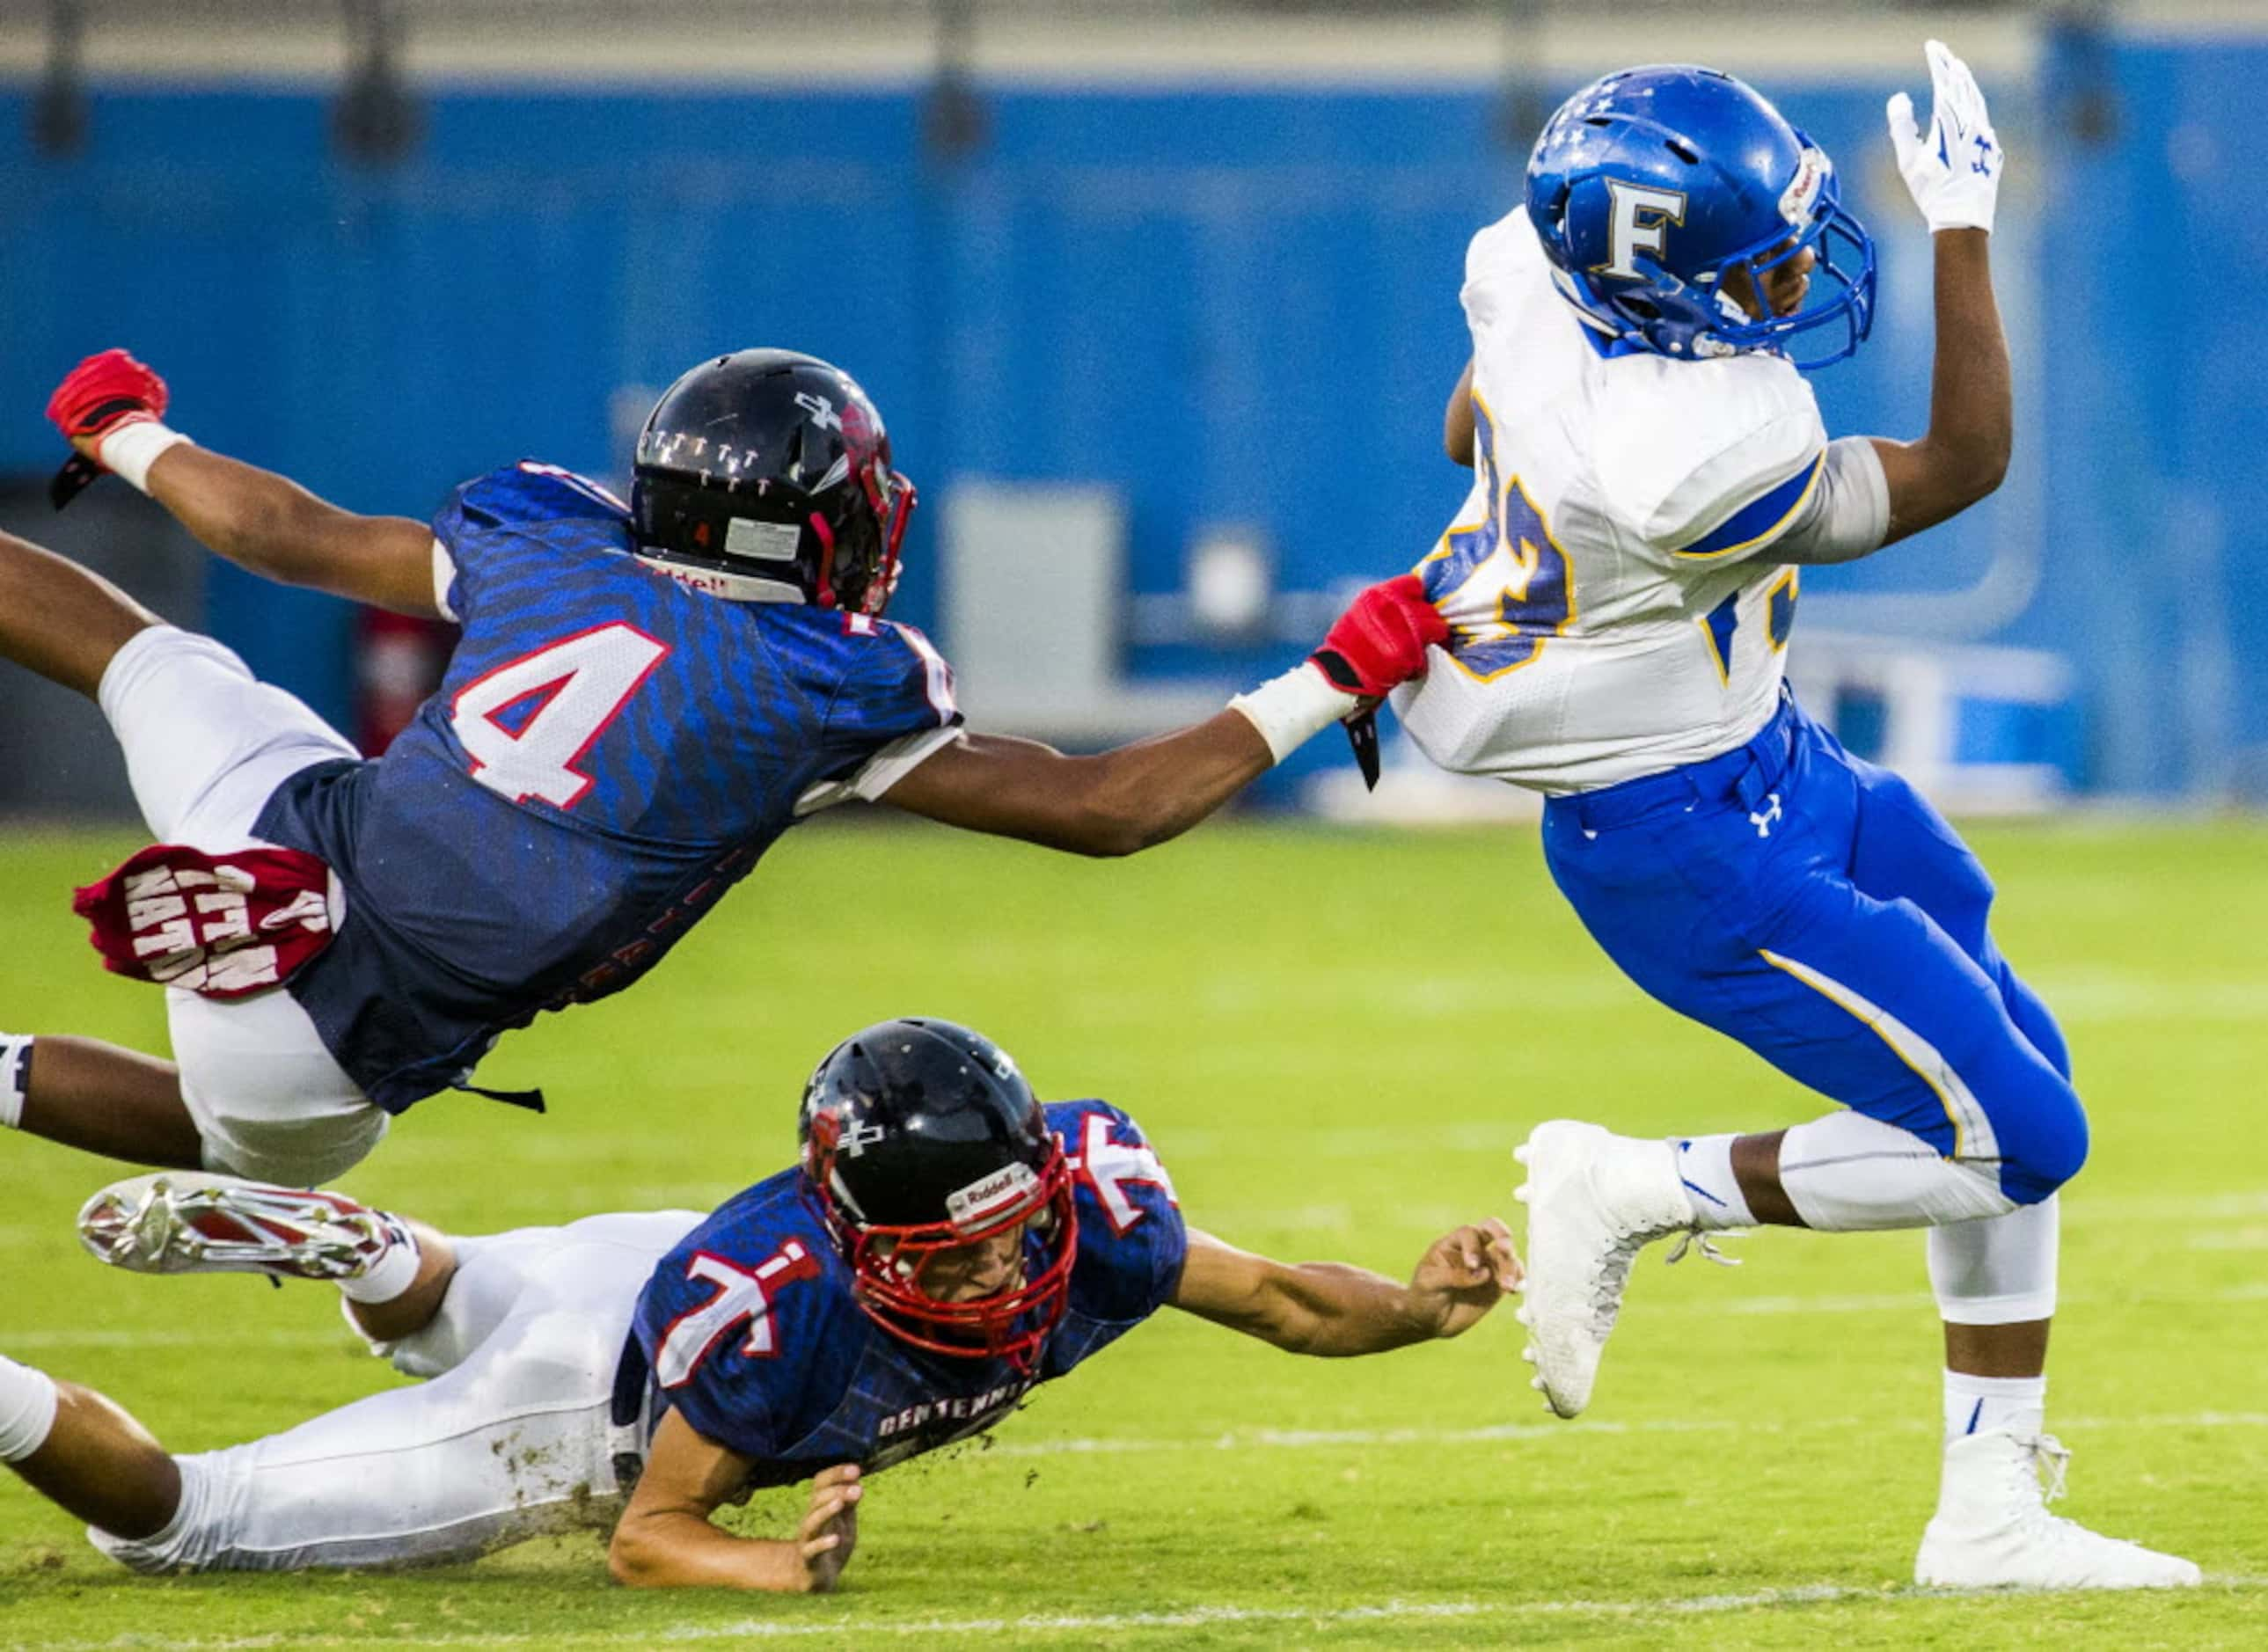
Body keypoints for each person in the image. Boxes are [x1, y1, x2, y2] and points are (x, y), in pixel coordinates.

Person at [1392, 46, 2197, 1588]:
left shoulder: (1529, 267)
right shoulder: (1685, 459)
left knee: (2008, 1074)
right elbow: (1961, 459)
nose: (1788, 285)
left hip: (1768, 754)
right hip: (1682, 834)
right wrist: (1962, 221)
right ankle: (1631, 1183)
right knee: (2018, 1139)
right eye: (1759, 267)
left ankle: (1988, 1517)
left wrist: (1535, 429)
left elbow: (1464, 428)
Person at [0, 348, 1447, 1187]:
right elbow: (1108, 809)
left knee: (149, 660)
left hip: (302, 830)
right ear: (801, 527)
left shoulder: (550, 544)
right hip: (328, 1034)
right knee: (258, 1153)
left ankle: (273, 923)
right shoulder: (828, 690)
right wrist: (1328, 675)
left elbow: (279, 531)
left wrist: (130, 433)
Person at [0, 1018, 1518, 1584]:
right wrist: (770, 1567)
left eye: (1022, 1226)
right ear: (870, 1236)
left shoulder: (1076, 1211)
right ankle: (383, 1272)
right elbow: (651, 1537)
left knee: (489, 1309)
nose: (1007, 1270)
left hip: (629, 1265)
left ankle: (393, 1262)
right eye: (960, 1253)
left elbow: (1279, 1303)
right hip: (593, 1400)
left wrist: (1410, 1301)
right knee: (180, 1522)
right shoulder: (791, 1304)